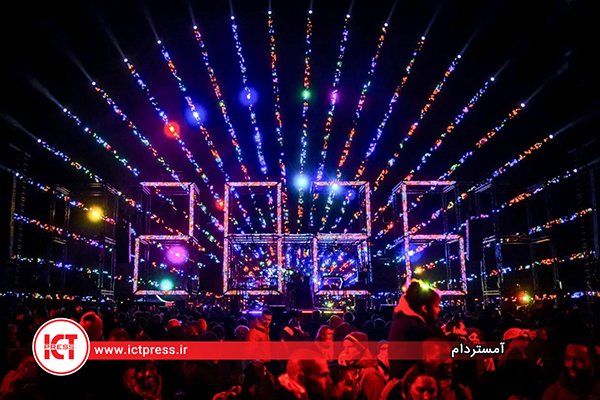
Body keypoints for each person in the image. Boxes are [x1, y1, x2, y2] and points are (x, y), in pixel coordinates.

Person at [388, 280, 442, 378]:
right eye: (436, 306)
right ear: (425, 308)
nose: (439, 310)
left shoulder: (404, 322)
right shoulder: (416, 329)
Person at [340, 332, 388, 400]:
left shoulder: (370, 374)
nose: (346, 351)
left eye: (350, 347)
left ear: (361, 348)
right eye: (344, 347)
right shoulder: (355, 369)